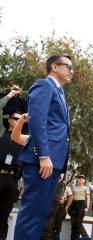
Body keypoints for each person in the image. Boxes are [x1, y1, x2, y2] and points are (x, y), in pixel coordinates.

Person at [14, 54, 73, 240]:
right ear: (54, 67)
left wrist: (60, 165)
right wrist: (44, 155)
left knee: (40, 216)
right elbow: (37, 121)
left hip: (53, 163)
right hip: (42, 160)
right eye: (68, 66)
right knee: (32, 213)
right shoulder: (44, 85)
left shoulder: (61, 93)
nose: (72, 71)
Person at [0, 86, 23, 240]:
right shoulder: (1, 130)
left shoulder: (24, 139)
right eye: (15, 118)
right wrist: (11, 95)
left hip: (12, 180)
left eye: (21, 119)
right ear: (9, 120)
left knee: (3, 217)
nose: (18, 121)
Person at [66, 174, 90, 240]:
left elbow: (88, 197)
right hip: (73, 205)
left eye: (82, 178)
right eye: (79, 178)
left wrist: (87, 207)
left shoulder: (86, 187)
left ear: (84, 180)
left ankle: (76, 238)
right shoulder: (73, 187)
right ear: (77, 179)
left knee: (78, 224)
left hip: (81, 205)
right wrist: (68, 206)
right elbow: (70, 196)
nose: (80, 179)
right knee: (73, 223)